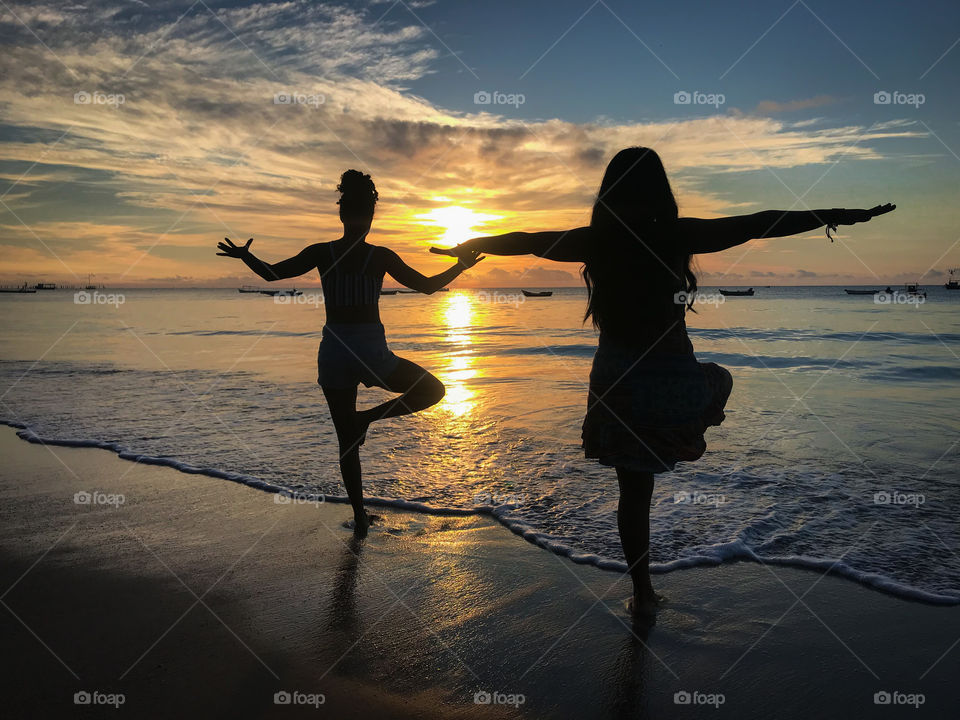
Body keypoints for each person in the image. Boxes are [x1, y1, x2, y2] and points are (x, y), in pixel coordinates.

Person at [432, 147, 895, 620]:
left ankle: (643, 591)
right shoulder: (677, 234)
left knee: (634, 494)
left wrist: (472, 243)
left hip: (616, 381)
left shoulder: (595, 241)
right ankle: (678, 433)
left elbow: (528, 239)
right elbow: (759, 221)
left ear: (608, 193)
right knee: (720, 381)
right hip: (672, 376)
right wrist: (836, 215)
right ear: (661, 191)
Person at [217, 169, 484, 536]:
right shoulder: (380, 256)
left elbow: (271, 275)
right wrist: (459, 266)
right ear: (370, 216)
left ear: (342, 214)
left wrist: (246, 257)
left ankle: (360, 518)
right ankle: (368, 420)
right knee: (433, 391)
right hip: (373, 354)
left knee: (347, 443)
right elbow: (425, 287)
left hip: (334, 354)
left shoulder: (322, 253)